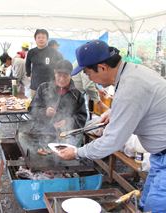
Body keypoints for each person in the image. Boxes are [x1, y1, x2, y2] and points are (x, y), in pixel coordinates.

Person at [58, 40, 166, 212]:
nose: (89, 78)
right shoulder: (130, 72)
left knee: (156, 208)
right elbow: (141, 105)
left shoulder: (131, 87)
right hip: (159, 157)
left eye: (87, 73)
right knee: (145, 204)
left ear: (102, 67)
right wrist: (114, 112)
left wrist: (77, 152)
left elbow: (112, 141)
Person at [28, 60, 87, 143]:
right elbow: (31, 110)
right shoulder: (43, 88)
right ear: (54, 73)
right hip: (41, 133)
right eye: (59, 75)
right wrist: (45, 112)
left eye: (65, 75)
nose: (62, 79)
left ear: (71, 75)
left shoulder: (77, 95)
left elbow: (82, 118)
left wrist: (67, 122)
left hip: (65, 137)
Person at [25, 29, 63, 97]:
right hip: (35, 87)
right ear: (35, 39)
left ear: (47, 39)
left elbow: (62, 64)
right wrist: (28, 75)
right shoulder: (31, 52)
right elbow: (27, 65)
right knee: (34, 106)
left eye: (43, 37)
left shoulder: (53, 52)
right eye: (38, 37)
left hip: (50, 87)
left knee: (50, 106)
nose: (41, 39)